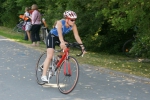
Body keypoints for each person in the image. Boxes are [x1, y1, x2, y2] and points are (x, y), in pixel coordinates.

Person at [41, 10, 86, 82]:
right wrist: (62, 42)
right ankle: (43, 76)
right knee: (49, 55)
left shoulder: (73, 26)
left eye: (75, 20)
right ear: (67, 19)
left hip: (60, 37)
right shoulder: (60, 23)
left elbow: (76, 36)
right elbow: (59, 33)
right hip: (52, 36)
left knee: (67, 47)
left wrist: (82, 47)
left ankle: (58, 59)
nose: (73, 21)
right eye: (72, 20)